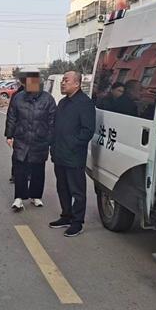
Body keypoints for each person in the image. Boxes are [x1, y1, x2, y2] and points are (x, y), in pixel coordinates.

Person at [48, 71, 96, 237]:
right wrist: (53, 146)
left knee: (77, 190)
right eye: (62, 80)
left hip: (74, 155)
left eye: (66, 80)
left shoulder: (85, 103)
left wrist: (72, 144)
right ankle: (66, 216)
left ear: (77, 83)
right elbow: (55, 127)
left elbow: (87, 130)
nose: (62, 83)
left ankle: (77, 222)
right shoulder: (62, 103)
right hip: (59, 154)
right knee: (62, 187)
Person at [4, 68, 56, 212]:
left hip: (40, 139)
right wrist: (9, 135)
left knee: (38, 170)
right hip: (22, 138)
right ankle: (19, 198)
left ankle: (35, 196)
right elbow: (11, 117)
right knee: (20, 169)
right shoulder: (18, 97)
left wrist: (49, 139)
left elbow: (52, 121)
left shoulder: (48, 99)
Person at [7, 79, 25, 184]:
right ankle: (15, 174)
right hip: (19, 131)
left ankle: (28, 174)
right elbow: (11, 115)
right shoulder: (17, 95)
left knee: (33, 155)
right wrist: (9, 135)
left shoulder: (41, 96)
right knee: (17, 155)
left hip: (35, 132)